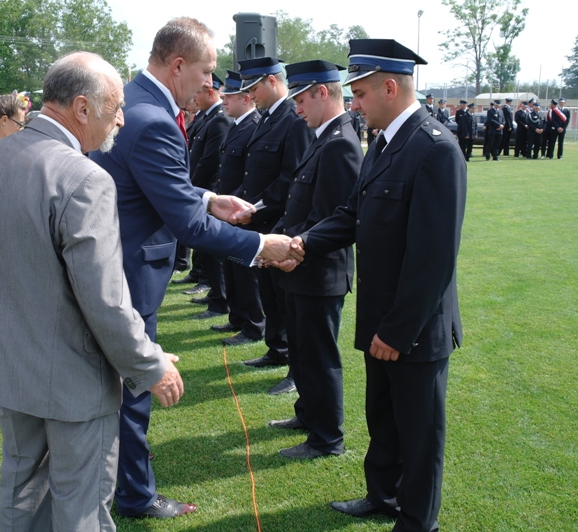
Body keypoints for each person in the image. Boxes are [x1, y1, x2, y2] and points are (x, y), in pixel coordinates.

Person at [0, 51, 186, 531]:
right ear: (82, 108)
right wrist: (151, 364)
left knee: (22, 494)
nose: (120, 119)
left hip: (9, 364)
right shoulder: (84, 177)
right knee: (81, 507)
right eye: (116, 107)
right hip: (72, 379)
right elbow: (105, 299)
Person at [90, 18, 297, 520]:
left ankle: (116, 479)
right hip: (131, 274)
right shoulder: (153, 118)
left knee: (117, 387)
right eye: (206, 71)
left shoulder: (135, 102)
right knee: (134, 389)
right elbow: (189, 227)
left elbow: (153, 187)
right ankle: (135, 495)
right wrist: (262, 246)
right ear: (178, 65)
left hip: (116, 264)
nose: (210, 82)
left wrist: (207, 198)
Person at [278, 39, 466, 531]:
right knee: (383, 417)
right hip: (381, 315)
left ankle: (417, 521)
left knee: (419, 433)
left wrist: (399, 331)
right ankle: (382, 497)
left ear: (389, 88)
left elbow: (434, 259)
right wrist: (302, 243)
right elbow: (351, 215)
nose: (355, 104)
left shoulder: (435, 149)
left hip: (414, 328)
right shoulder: (384, 143)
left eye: (359, 94)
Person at [265, 60, 362, 460]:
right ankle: (307, 414)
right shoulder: (323, 137)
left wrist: (293, 249)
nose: (297, 107)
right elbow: (300, 206)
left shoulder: (340, 143)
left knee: (319, 357)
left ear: (323, 92)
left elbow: (333, 217)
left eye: (302, 99)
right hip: (300, 266)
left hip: (318, 271)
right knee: (304, 352)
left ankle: (327, 438)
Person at [232, 56, 313, 397]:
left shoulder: (293, 120)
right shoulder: (269, 118)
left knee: (285, 300)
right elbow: (254, 174)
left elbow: (291, 178)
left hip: (280, 223)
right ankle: (277, 349)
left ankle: (294, 365)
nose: (250, 95)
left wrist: (255, 209)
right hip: (261, 222)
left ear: (271, 81)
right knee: (269, 293)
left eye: (254, 88)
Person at [211, 71, 265, 342]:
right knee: (231, 268)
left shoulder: (253, 126)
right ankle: (237, 317)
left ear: (246, 99)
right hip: (228, 208)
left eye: (229, 97)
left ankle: (253, 324)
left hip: (242, 209)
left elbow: (250, 174)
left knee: (245, 272)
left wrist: (237, 203)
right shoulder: (235, 125)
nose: (224, 101)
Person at [187, 73, 232, 320]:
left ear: (210, 91)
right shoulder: (207, 118)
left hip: (209, 191)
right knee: (206, 249)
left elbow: (210, 162)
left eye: (199, 92)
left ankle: (220, 299)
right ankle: (215, 294)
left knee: (214, 252)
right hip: (200, 190)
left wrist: (192, 189)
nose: (194, 97)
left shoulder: (219, 119)